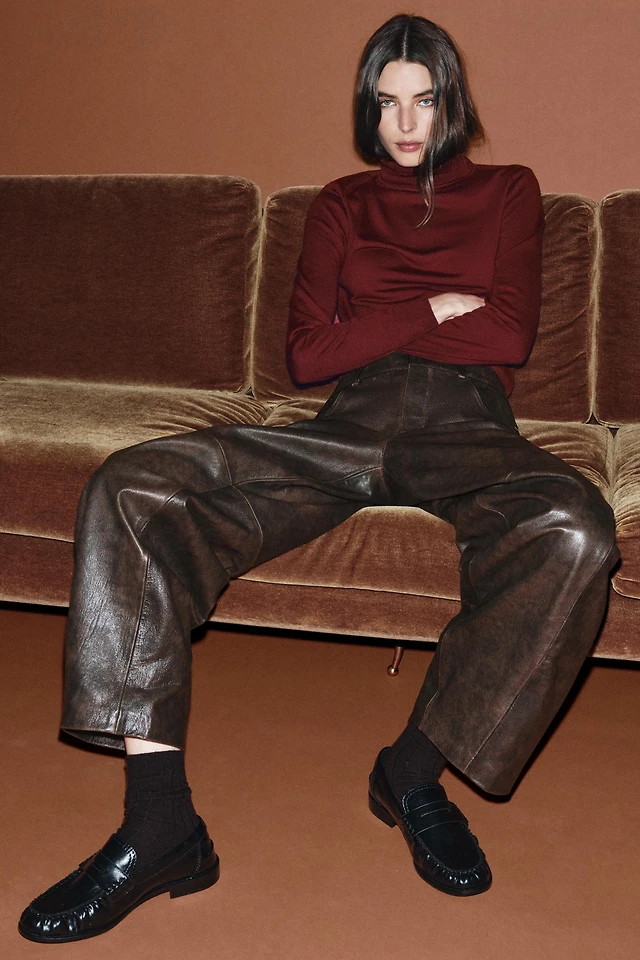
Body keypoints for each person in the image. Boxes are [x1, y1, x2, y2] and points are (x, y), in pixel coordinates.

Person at [19, 13, 619, 943]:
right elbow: (307, 356)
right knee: (131, 485)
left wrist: (374, 323)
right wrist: (432, 305)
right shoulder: (341, 204)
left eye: (424, 100)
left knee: (577, 528)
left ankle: (410, 773)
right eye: (386, 103)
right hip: (349, 424)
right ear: (367, 111)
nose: (405, 123)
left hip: (466, 425)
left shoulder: (510, 190)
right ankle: (159, 824)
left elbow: (509, 335)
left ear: (453, 103)